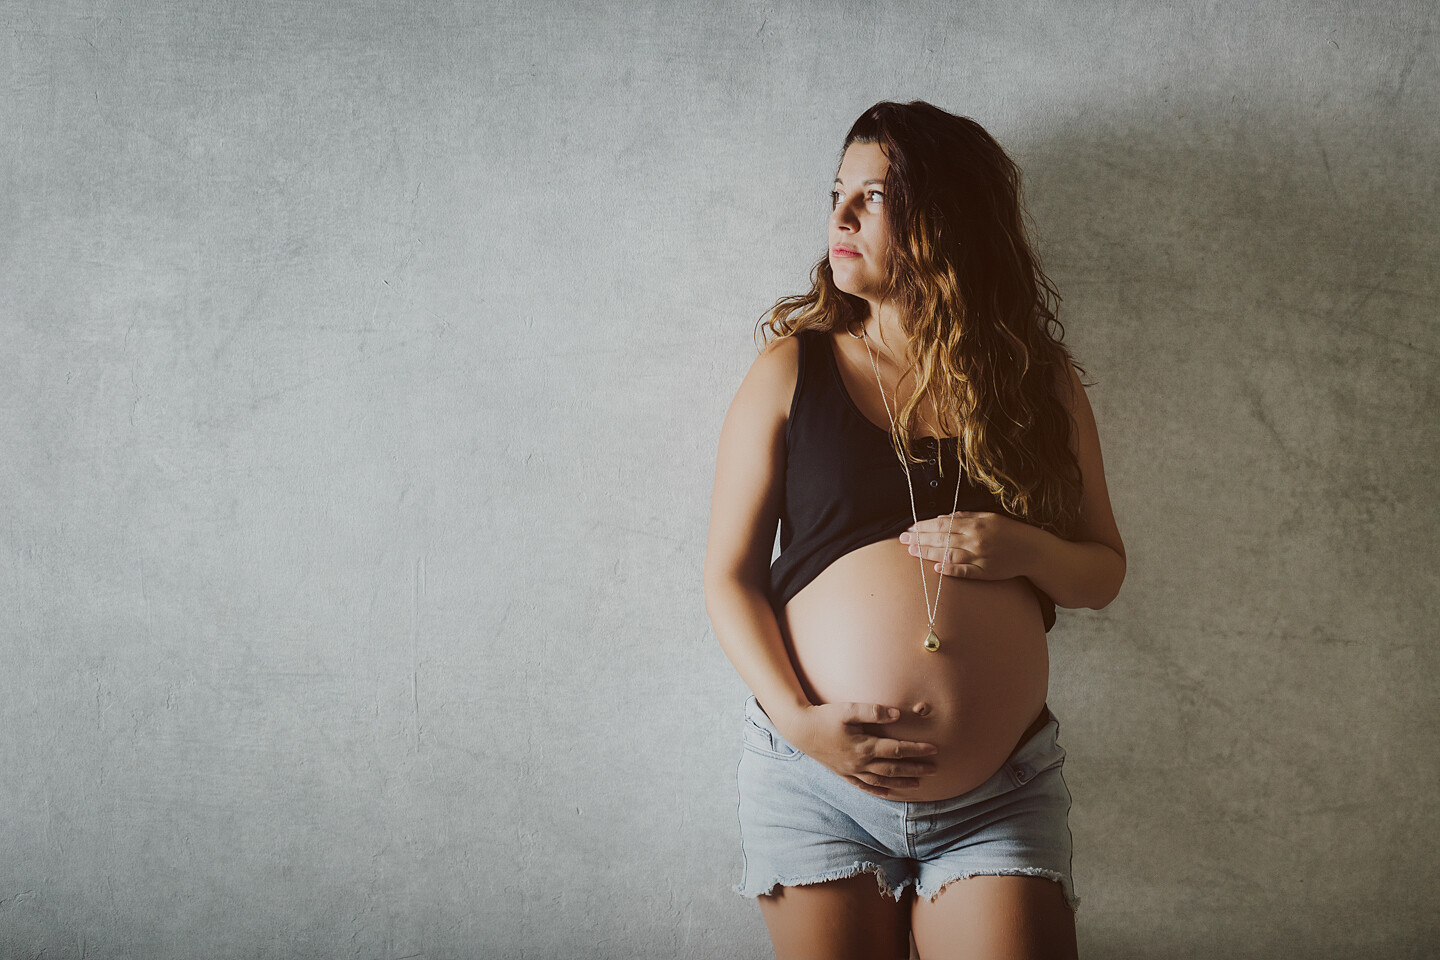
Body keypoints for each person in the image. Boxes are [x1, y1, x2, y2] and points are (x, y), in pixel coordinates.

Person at [702, 101, 1126, 960]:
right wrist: (797, 721)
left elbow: (1102, 571)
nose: (841, 216)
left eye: (875, 196)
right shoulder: (793, 369)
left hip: (998, 793)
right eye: (837, 192)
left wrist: (1025, 551)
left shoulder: (1036, 384)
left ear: (946, 217)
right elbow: (728, 576)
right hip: (817, 781)